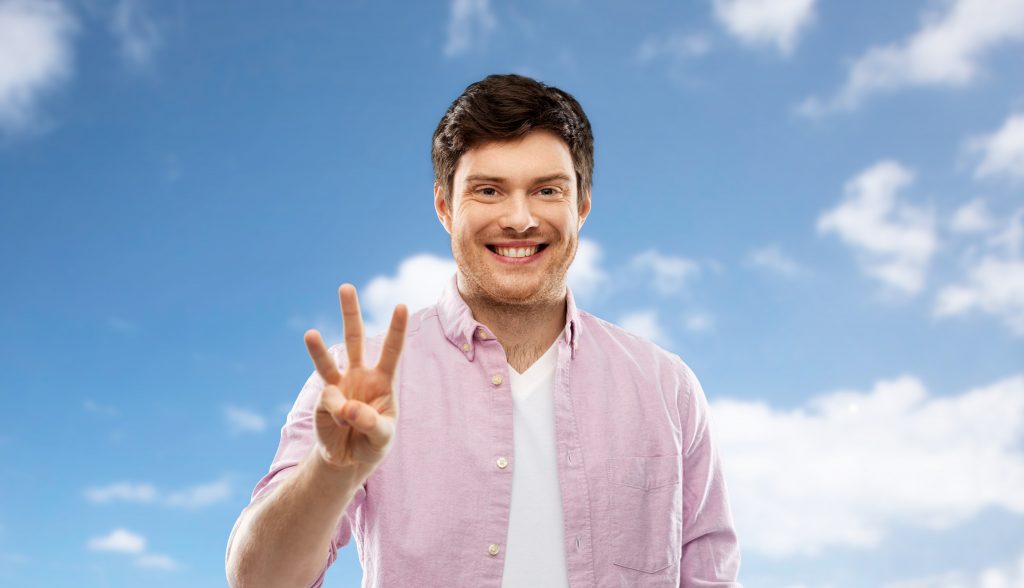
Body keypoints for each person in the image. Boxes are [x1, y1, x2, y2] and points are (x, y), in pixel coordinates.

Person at [225, 73, 742, 587]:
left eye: (546, 190)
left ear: (581, 206)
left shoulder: (667, 388)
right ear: (445, 208)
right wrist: (331, 471)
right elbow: (258, 580)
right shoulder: (356, 383)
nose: (519, 219)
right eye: (489, 190)